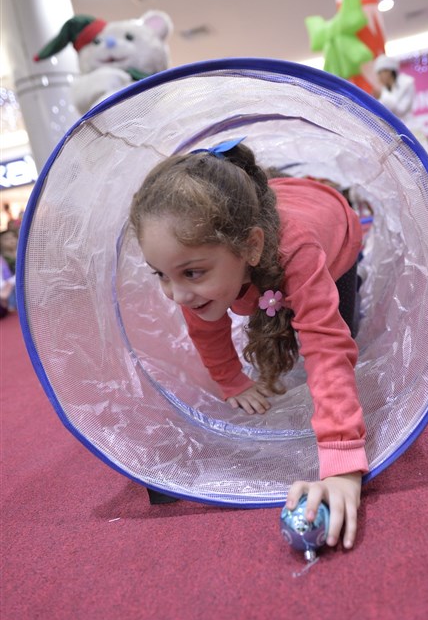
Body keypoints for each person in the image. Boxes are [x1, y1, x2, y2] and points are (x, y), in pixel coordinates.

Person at [129, 139, 368, 550]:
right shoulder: (190, 275)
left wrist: (341, 462)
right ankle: (273, 304)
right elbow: (207, 330)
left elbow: (328, 347)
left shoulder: (300, 251)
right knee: (271, 313)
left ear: (251, 247)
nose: (177, 294)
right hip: (265, 230)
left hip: (332, 231)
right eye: (161, 275)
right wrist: (232, 380)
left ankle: (317, 294)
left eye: (190, 273)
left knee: (339, 326)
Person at [372, 55, 428, 174]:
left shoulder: (407, 84)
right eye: (379, 73)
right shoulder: (383, 91)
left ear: (390, 71)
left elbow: (402, 109)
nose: (381, 76)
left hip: (412, 130)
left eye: (383, 71)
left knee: (427, 163)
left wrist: (382, 97)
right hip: (393, 134)